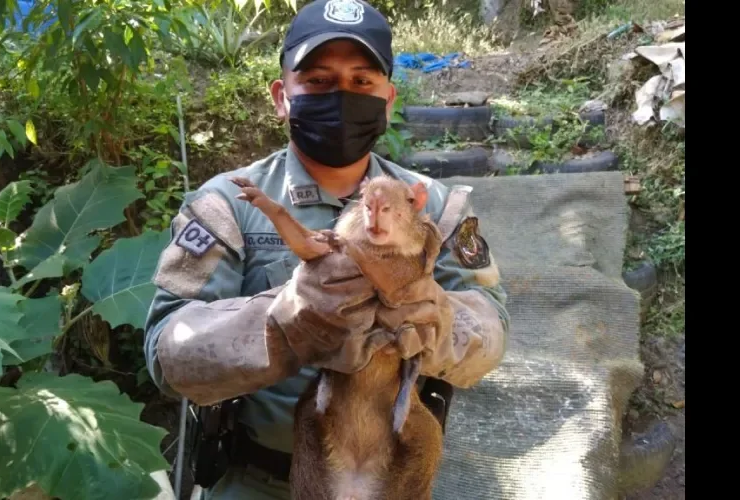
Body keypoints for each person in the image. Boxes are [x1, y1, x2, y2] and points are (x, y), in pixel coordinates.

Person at [144, 0, 510, 498]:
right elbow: (166, 353)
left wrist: (438, 323)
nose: (341, 96)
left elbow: (492, 333)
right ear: (281, 96)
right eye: (317, 81)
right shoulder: (226, 203)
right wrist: (282, 323)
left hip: (392, 479)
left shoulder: (437, 209)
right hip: (255, 480)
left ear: (387, 100)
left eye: (361, 82)